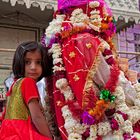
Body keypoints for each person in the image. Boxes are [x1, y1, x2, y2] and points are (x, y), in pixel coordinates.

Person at [44, 0, 140, 139]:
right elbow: (112, 82)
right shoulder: (86, 40)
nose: (105, 16)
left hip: (70, 127)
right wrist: (135, 88)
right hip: (100, 127)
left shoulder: (56, 44)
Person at [0, 41, 53, 140]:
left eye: (38, 62)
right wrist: (50, 137)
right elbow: (37, 117)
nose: (33, 67)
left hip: (8, 133)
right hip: (23, 134)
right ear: (20, 63)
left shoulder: (15, 84)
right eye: (27, 62)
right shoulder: (28, 82)